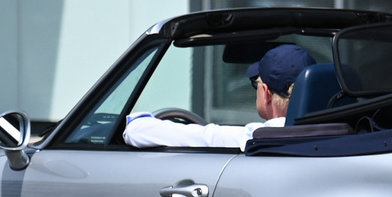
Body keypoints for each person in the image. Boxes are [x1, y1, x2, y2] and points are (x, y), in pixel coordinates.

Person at [124, 43, 315, 149]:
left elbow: (137, 132)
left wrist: (135, 122)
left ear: (265, 92)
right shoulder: (340, 132)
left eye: (255, 84)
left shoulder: (255, 138)